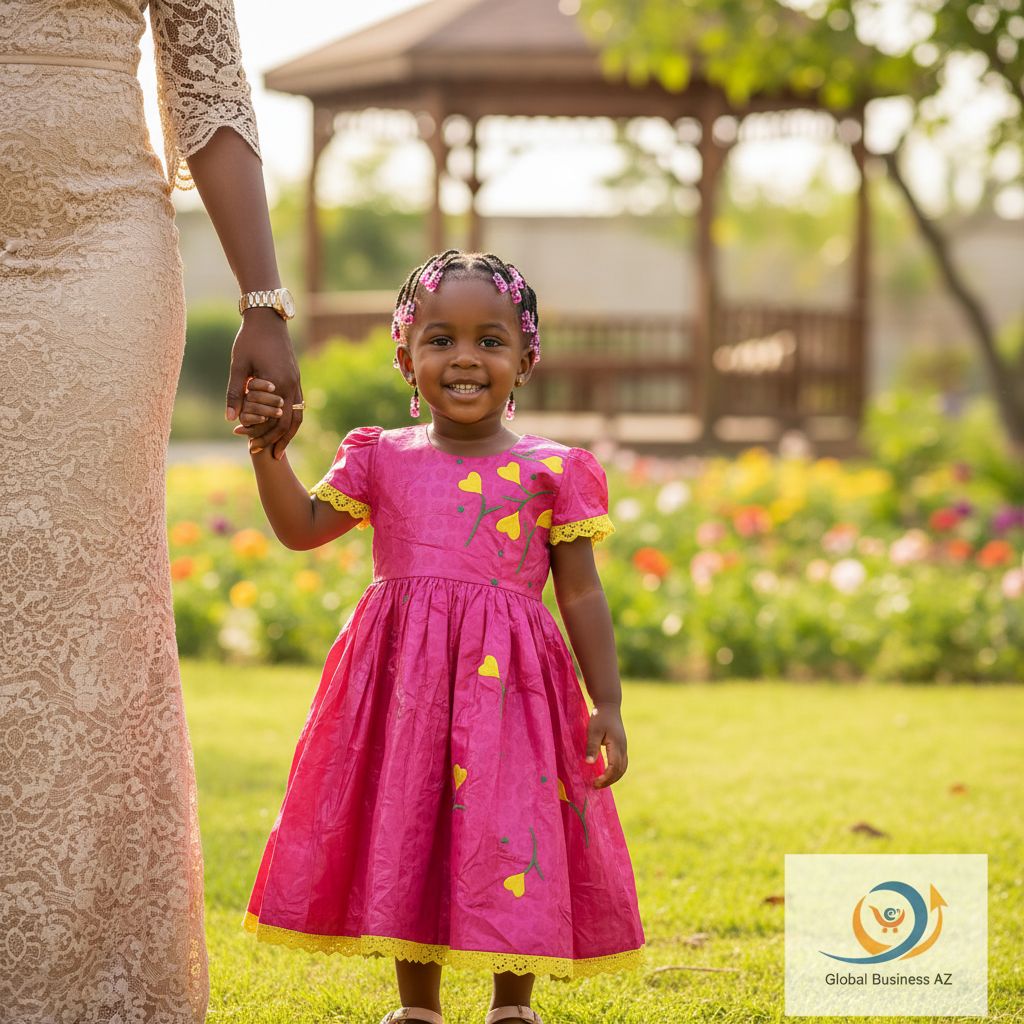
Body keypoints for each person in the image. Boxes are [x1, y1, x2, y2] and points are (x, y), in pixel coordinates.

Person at [234, 251, 646, 1024]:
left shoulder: (554, 469)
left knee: (510, 825)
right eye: (440, 339)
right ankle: (417, 1006)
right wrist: (269, 452)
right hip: (405, 687)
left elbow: (581, 589)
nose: (464, 358)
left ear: (526, 359)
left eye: (490, 341)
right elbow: (299, 529)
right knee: (409, 820)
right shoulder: (379, 458)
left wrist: (609, 699)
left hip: (515, 694)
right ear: (405, 355)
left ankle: (511, 1005)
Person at [1, 3, 300, 1021]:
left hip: (98, 260)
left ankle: (89, 974)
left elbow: (208, 86)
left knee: (89, 599)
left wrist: (264, 301)